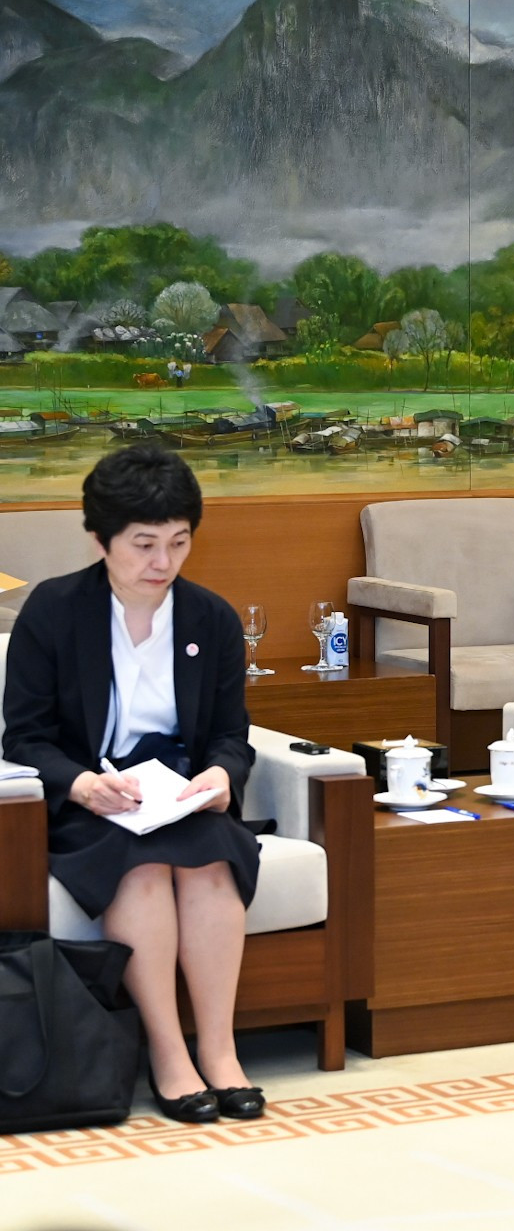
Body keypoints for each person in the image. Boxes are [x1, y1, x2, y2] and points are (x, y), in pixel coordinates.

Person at [2, 445, 264, 1124]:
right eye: (144, 544)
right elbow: (24, 736)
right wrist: (81, 785)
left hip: (175, 792)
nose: (163, 563)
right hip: (91, 799)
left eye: (179, 543)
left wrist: (219, 776)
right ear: (100, 539)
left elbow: (232, 735)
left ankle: (221, 1050)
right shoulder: (53, 612)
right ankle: (169, 1055)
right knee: (142, 872)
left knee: (210, 861)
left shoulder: (210, 619)